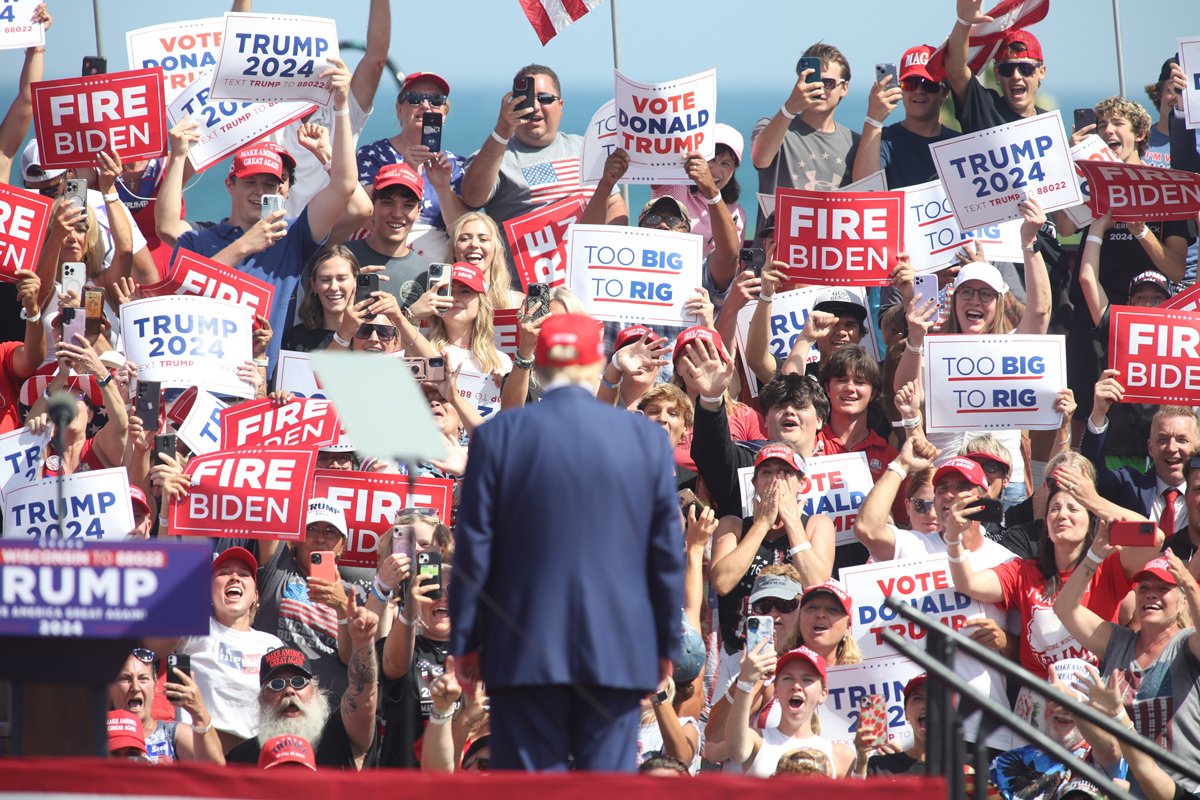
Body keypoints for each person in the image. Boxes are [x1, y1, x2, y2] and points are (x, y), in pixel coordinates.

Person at [450, 313, 683, 771]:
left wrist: (466, 642)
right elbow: (664, 555)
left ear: (540, 365)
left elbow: (474, 551)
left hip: (522, 649)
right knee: (604, 788)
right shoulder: (644, 439)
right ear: (596, 362)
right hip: (616, 651)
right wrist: (663, 645)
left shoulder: (497, 436)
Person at [159, 56, 360, 372]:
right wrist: (178, 156)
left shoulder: (292, 236)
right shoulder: (203, 239)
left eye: (269, 184)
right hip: (203, 377)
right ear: (230, 185)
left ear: (283, 190)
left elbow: (345, 186)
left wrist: (342, 107)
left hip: (263, 383)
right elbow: (167, 227)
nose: (260, 191)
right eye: (250, 182)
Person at [944, 475, 1163, 727]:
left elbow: (1154, 537)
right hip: (1037, 708)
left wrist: (1093, 500)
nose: (1062, 515)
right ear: (1046, 525)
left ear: (1090, 522)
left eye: (1073, 508)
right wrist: (953, 539)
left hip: (1092, 703)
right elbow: (968, 583)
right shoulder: (1023, 571)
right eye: (1054, 509)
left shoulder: (1109, 568)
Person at [1057, 550, 1200, 795]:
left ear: (1182, 601)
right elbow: (1064, 607)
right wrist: (1095, 553)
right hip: (1118, 789)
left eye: (1163, 588)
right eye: (1144, 588)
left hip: (1179, 791)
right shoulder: (1117, 642)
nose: (1151, 594)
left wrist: (1188, 581)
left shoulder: (1187, 644)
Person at [459, 64, 627, 241]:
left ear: (560, 106)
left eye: (545, 98)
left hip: (584, 256)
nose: (535, 106)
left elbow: (613, 202)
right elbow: (472, 198)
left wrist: (611, 247)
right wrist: (501, 132)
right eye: (526, 99)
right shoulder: (495, 156)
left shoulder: (586, 147)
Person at [144, 547, 286, 753]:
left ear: (256, 595)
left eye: (244, 574)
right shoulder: (197, 627)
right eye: (224, 573)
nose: (234, 578)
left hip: (252, 757)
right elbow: (153, 648)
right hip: (198, 751)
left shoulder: (272, 645)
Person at [224, 621, 379, 769]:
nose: (289, 691)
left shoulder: (340, 734)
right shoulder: (242, 758)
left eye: (298, 682)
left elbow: (363, 696)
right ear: (261, 699)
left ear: (316, 692)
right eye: (276, 684)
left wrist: (363, 642)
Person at [356, 69, 468, 244]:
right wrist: (407, 171)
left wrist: (443, 189)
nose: (425, 105)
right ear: (399, 109)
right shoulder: (372, 156)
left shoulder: (457, 166)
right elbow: (367, 216)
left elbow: (462, 233)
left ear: (444, 113)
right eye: (415, 99)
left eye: (436, 100)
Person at [751, 42, 859, 204]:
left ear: (844, 88)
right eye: (812, 80)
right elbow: (760, 159)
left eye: (828, 83)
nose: (819, 88)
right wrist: (789, 108)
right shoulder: (773, 128)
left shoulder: (855, 143)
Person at [727, 645, 854, 777]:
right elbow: (736, 750)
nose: (796, 686)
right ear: (775, 691)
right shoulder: (757, 740)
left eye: (807, 679)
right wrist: (746, 680)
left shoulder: (841, 757)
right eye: (788, 678)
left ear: (823, 694)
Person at [852, 44, 958, 187]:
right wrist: (873, 119)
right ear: (900, 89)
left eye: (928, 84)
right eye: (910, 84)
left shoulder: (960, 144)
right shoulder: (883, 141)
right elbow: (864, 187)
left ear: (945, 93)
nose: (919, 91)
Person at [1082, 399, 1199, 524]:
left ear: (1197, 447)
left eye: (1182, 440)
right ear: (1150, 447)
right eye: (1163, 439)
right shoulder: (1128, 485)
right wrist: (1099, 412)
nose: (1171, 448)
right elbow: (1092, 475)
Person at [342, 163, 437, 311]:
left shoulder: (427, 273)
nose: (397, 214)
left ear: (419, 211)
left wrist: (410, 317)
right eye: (388, 203)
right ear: (373, 206)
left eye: (408, 205)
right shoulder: (342, 258)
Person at [107, 648, 224, 764]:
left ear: (155, 687)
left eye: (143, 679)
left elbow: (215, 769)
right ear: (110, 689)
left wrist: (199, 713)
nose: (135, 687)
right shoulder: (99, 736)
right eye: (125, 679)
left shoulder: (173, 734)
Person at [945, 3, 1049, 131]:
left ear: (1041, 72)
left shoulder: (1049, 123)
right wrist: (963, 22)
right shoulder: (984, 109)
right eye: (1006, 69)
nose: (1016, 76)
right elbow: (956, 72)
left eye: (1025, 68)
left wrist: (1069, 144)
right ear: (997, 74)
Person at [649, 123, 748, 256]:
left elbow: (732, 261)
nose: (714, 170)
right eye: (711, 159)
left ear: (733, 170)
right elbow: (656, 153)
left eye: (725, 163)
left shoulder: (738, 214)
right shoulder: (673, 185)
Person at [283, 244, 363, 352]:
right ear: (313, 285)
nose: (334, 287)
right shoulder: (295, 339)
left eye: (341, 278)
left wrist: (389, 317)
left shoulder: (373, 335)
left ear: (356, 281)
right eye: (325, 280)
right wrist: (343, 337)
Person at [446, 211, 519, 310]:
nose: (474, 244)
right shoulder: (437, 301)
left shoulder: (518, 303)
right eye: (465, 239)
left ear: (497, 250)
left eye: (483, 239)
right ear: (453, 250)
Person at [860, 673, 928, 776]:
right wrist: (860, 762)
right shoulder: (880, 768)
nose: (925, 705)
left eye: (935, 697)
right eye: (918, 698)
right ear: (905, 713)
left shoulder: (956, 763)